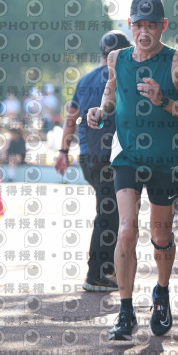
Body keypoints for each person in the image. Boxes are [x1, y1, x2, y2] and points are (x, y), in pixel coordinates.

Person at [87, 0, 178, 340]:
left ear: (163, 26)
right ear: (130, 25)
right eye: (138, 25)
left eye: (152, 25)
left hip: (164, 159)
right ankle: (125, 311)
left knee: (161, 235)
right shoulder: (117, 58)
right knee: (125, 230)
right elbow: (111, 94)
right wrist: (101, 111)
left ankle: (161, 294)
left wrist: (162, 100)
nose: (144, 32)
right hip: (128, 157)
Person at [55, 30, 132, 292]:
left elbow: (71, 118)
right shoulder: (122, 77)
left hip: (88, 157)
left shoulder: (85, 79)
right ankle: (97, 273)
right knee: (108, 214)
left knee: (110, 211)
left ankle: (106, 268)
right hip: (109, 156)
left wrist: (63, 151)